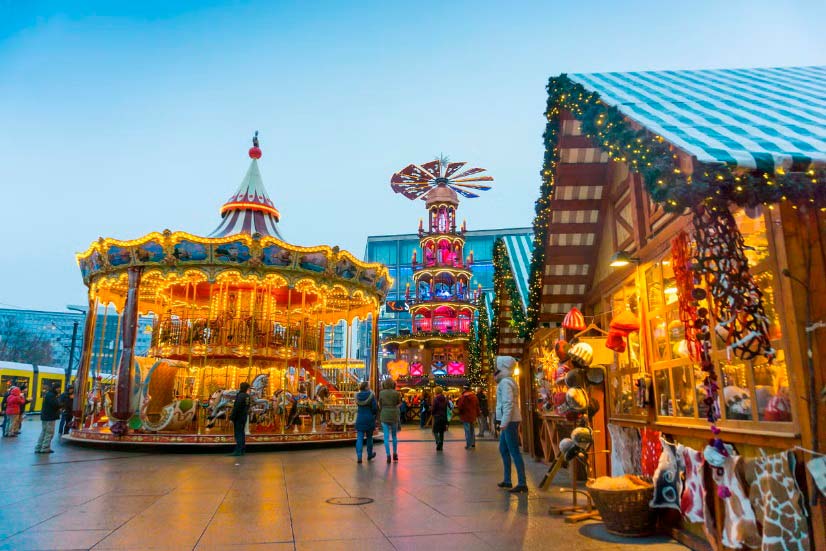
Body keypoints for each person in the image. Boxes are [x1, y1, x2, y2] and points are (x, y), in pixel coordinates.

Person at [495, 356, 527, 493]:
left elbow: (508, 403)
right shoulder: (506, 381)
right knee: (503, 449)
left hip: (510, 421)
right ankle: (507, 480)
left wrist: (504, 422)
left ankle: (522, 483)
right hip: (509, 420)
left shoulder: (505, 383)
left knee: (514, 451)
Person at [378, 379, 401, 463]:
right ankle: (395, 453)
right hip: (394, 415)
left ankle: (388, 455)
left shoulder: (381, 393)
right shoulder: (396, 393)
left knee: (386, 436)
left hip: (384, 414)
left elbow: (379, 404)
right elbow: (399, 403)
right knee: (394, 435)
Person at [354, 381, 377, 463]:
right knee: (369, 437)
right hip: (369, 418)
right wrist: (374, 414)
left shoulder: (357, 396)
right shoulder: (371, 395)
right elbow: (374, 408)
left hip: (360, 418)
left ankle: (359, 456)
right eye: (369, 386)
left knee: (359, 438)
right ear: (366, 387)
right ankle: (369, 454)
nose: (370, 387)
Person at [36, 383, 61, 454]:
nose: (59, 390)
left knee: (43, 432)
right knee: (49, 433)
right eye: (58, 388)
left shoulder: (48, 394)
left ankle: (38, 447)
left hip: (45, 416)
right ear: (55, 388)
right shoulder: (52, 396)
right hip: (50, 417)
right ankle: (45, 448)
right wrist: (62, 404)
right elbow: (55, 405)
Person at [229, 382, 251, 456]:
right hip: (244, 416)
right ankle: (242, 449)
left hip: (238, 417)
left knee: (238, 433)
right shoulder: (247, 396)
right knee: (242, 433)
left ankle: (238, 450)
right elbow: (248, 406)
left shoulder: (240, 396)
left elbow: (236, 408)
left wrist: (232, 418)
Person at [456, 385, 481, 449]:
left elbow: (460, 406)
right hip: (472, 415)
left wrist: (459, 412)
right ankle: (473, 443)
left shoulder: (463, 397)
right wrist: (478, 414)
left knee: (467, 430)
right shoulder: (474, 396)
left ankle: (468, 444)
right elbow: (477, 406)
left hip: (465, 416)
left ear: (464, 389)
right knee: (472, 430)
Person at [431, 386, 448, 451]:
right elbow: (447, 408)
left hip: (437, 417)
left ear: (436, 391)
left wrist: (432, 412)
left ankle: (438, 441)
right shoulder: (445, 399)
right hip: (443, 416)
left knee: (435, 431)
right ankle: (440, 447)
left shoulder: (435, 399)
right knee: (441, 432)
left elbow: (434, 408)